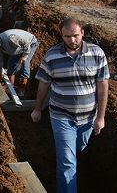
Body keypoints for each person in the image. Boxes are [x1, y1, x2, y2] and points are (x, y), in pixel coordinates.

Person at [31, 18, 109, 193]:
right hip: (61, 115)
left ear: (82, 33)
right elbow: (43, 84)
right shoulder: (52, 55)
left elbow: (103, 86)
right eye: (67, 36)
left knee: (78, 148)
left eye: (75, 36)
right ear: (61, 35)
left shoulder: (97, 54)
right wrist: (37, 108)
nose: (72, 41)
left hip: (88, 117)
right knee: (67, 162)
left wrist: (101, 117)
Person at [0, 29, 39, 95]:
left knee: (25, 63)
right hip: (17, 48)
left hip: (30, 43)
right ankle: (11, 89)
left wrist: (24, 56)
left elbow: (26, 43)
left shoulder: (11, 39)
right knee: (11, 64)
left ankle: (22, 89)